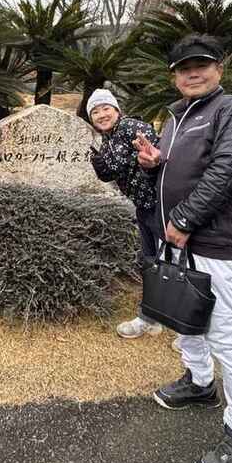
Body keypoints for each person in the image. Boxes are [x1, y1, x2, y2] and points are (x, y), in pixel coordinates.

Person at [135, 34, 232, 463]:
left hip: (212, 243)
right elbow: (181, 167)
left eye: (201, 65)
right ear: (173, 76)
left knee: (227, 335)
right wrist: (156, 163)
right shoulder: (175, 117)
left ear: (219, 70)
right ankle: (199, 382)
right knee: (181, 317)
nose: (193, 72)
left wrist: (186, 219)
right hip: (177, 238)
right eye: (184, 67)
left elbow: (228, 170)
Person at [86, 88, 163, 339]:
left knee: (171, 264)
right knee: (150, 261)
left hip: (162, 204)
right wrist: (104, 166)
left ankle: (188, 332)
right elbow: (111, 169)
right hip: (144, 206)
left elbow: (115, 166)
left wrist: (104, 166)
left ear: (117, 110)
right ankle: (150, 318)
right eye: (95, 112)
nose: (101, 114)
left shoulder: (131, 127)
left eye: (106, 108)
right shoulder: (109, 137)